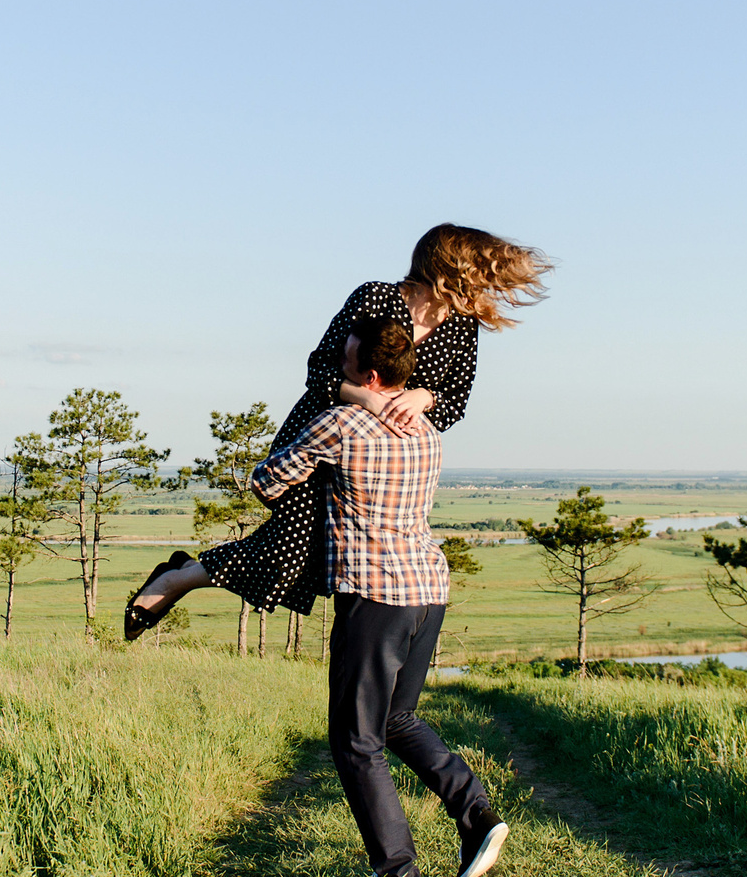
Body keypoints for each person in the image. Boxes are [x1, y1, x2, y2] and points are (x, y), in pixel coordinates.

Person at [123, 223, 549, 639]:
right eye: (476, 273)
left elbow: (455, 399)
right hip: (324, 439)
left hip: (381, 463)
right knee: (287, 551)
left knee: (326, 559)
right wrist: (364, 398)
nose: (482, 286)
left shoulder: (461, 326)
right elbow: (319, 369)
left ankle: (180, 575)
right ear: (446, 271)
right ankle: (175, 581)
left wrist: (424, 397)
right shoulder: (375, 297)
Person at [249, 316, 507, 877]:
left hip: (373, 594)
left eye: (344, 360)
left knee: (356, 740)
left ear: (367, 373)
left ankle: (396, 876)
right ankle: (478, 818)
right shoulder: (427, 432)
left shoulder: (342, 423)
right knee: (397, 719)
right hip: (428, 590)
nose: (338, 367)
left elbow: (266, 481)